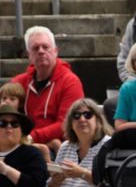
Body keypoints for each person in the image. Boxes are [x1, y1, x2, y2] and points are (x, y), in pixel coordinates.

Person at [11, 26, 84, 155]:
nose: (41, 51)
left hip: (60, 149)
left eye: (45, 47)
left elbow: (65, 124)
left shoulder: (70, 82)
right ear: (29, 55)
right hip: (23, 142)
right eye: (35, 48)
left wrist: (31, 138)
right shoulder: (18, 82)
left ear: (55, 51)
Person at [47, 99, 112, 187]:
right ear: (71, 124)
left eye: (87, 115)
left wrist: (82, 173)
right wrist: (56, 181)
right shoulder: (65, 147)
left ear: (98, 120)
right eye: (76, 116)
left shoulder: (108, 145)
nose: (82, 119)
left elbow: (111, 186)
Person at [0, 105, 48, 187]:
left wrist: (6, 170)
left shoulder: (32, 154)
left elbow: (36, 186)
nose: (9, 127)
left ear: (21, 130)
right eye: (2, 123)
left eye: (14, 124)